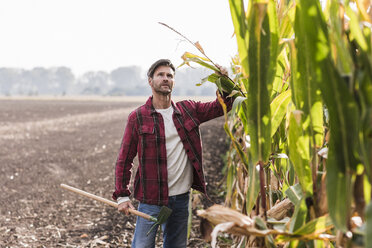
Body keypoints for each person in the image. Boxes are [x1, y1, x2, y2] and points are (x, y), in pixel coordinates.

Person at [112, 59, 233, 247]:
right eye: (160, 75)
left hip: (181, 199)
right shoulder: (137, 117)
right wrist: (122, 195)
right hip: (151, 199)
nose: (165, 78)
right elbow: (124, 159)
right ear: (150, 81)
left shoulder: (189, 110)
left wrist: (224, 81)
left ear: (174, 82)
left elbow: (222, 106)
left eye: (170, 75)